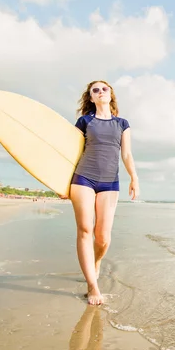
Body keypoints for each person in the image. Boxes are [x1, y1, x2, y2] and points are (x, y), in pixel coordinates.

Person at [67, 80, 139, 305]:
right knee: (85, 230)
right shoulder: (84, 121)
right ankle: (92, 286)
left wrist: (134, 177)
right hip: (83, 179)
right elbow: (71, 152)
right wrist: (61, 184)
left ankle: (96, 262)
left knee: (103, 238)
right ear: (90, 97)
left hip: (110, 182)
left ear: (111, 94)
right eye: (95, 90)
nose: (100, 92)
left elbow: (126, 155)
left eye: (104, 89)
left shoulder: (122, 124)